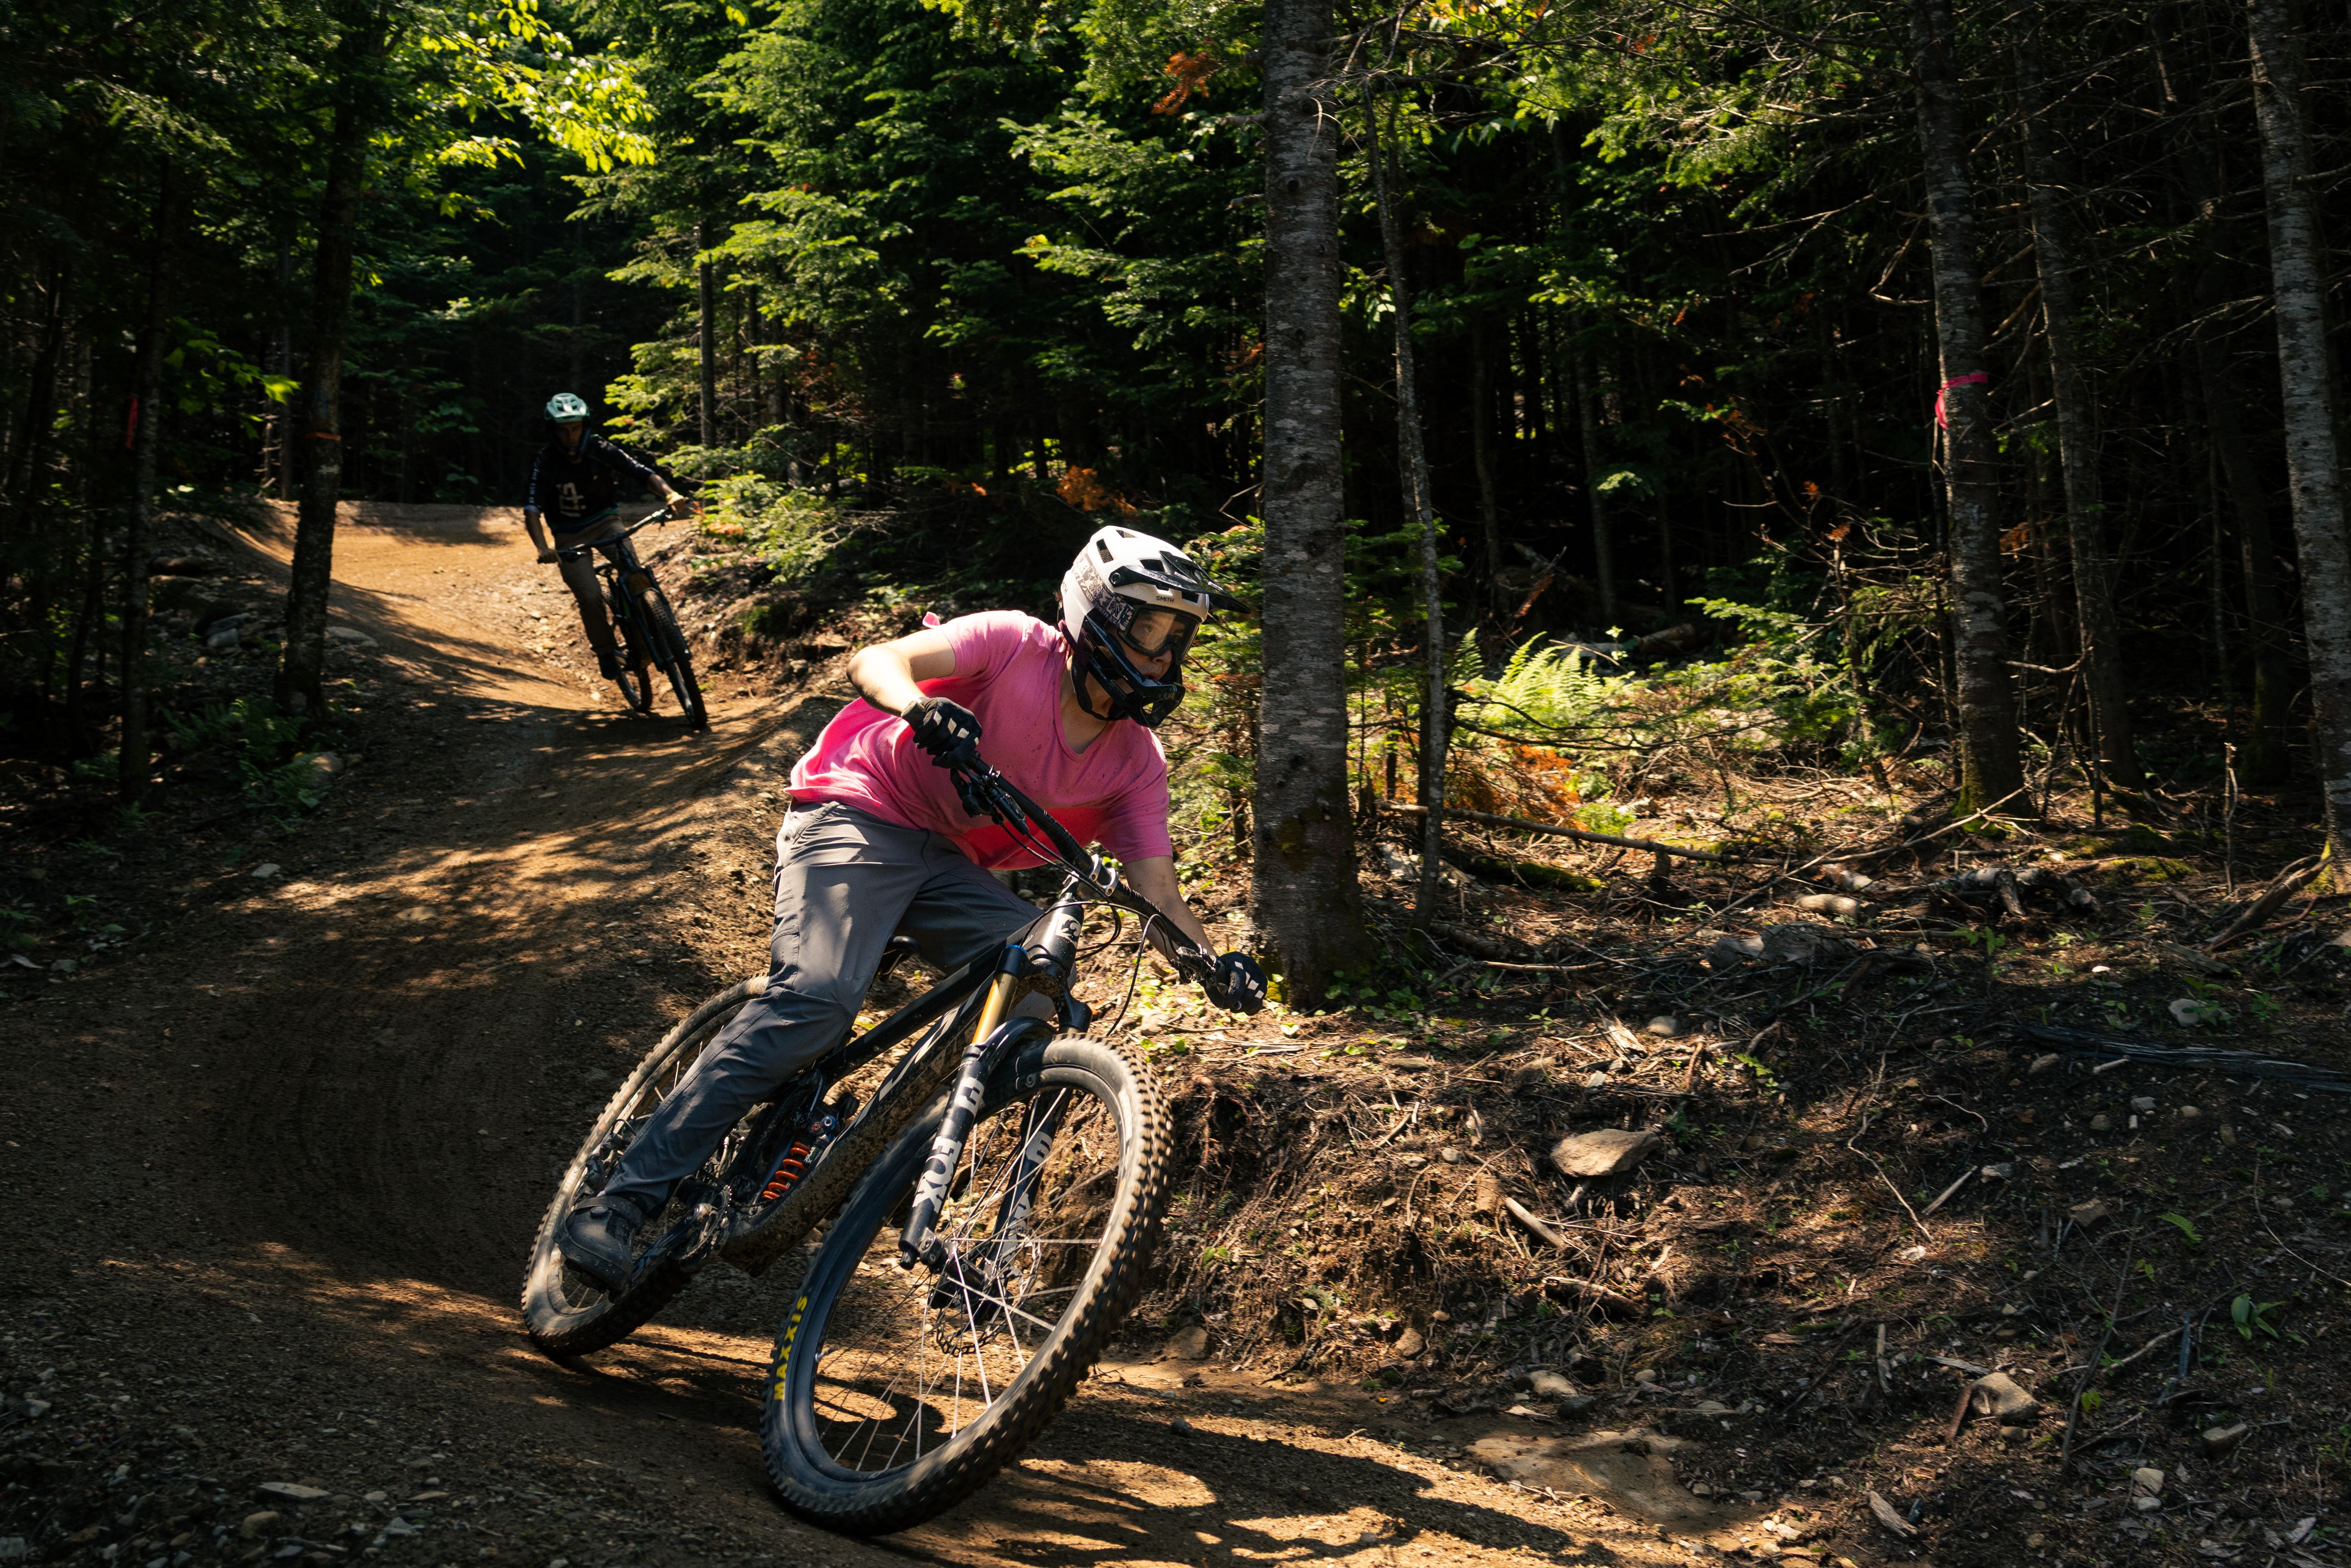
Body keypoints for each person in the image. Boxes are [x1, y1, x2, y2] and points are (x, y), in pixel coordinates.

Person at [558, 524, 1268, 1290]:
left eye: (1176, 636)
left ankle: (909, 1176)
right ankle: (619, 1205)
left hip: (949, 867)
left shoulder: (1135, 762)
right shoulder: (1012, 643)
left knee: (1039, 994)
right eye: (1146, 627)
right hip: (859, 809)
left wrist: (1211, 961)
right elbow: (877, 659)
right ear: (1094, 614)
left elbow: (1157, 895)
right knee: (817, 1002)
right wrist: (918, 708)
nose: (1160, 653)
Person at [522, 392, 689, 679]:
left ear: (584, 426)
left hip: (606, 522)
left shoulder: (600, 447)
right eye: (563, 429)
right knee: (590, 595)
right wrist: (542, 547)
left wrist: (670, 494)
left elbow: (641, 472)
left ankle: (654, 633)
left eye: (575, 427)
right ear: (553, 431)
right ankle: (605, 651)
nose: (570, 435)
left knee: (635, 575)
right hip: (568, 536)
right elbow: (532, 509)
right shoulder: (546, 461)